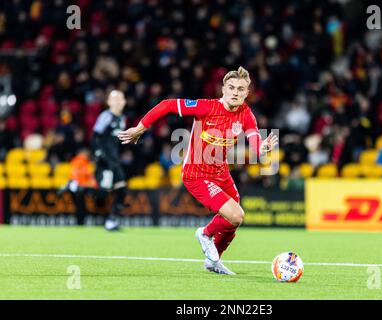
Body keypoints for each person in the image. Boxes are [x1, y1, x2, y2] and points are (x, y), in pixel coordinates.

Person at [118, 67, 278, 275]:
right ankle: (204, 233)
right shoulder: (206, 107)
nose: (235, 92)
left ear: (247, 93)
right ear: (223, 89)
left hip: (221, 173)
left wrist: (261, 148)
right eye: (231, 87)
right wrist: (140, 127)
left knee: (232, 223)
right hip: (197, 175)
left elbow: (254, 136)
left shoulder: (245, 113)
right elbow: (167, 105)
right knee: (237, 215)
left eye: (241, 89)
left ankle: (213, 262)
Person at [92, 90, 128, 231]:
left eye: (121, 99)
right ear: (109, 102)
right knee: (103, 192)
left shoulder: (122, 119)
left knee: (122, 189)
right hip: (105, 160)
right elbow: (95, 136)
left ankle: (112, 220)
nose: (119, 102)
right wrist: (98, 153)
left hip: (114, 160)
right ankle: (78, 186)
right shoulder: (106, 116)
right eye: (115, 99)